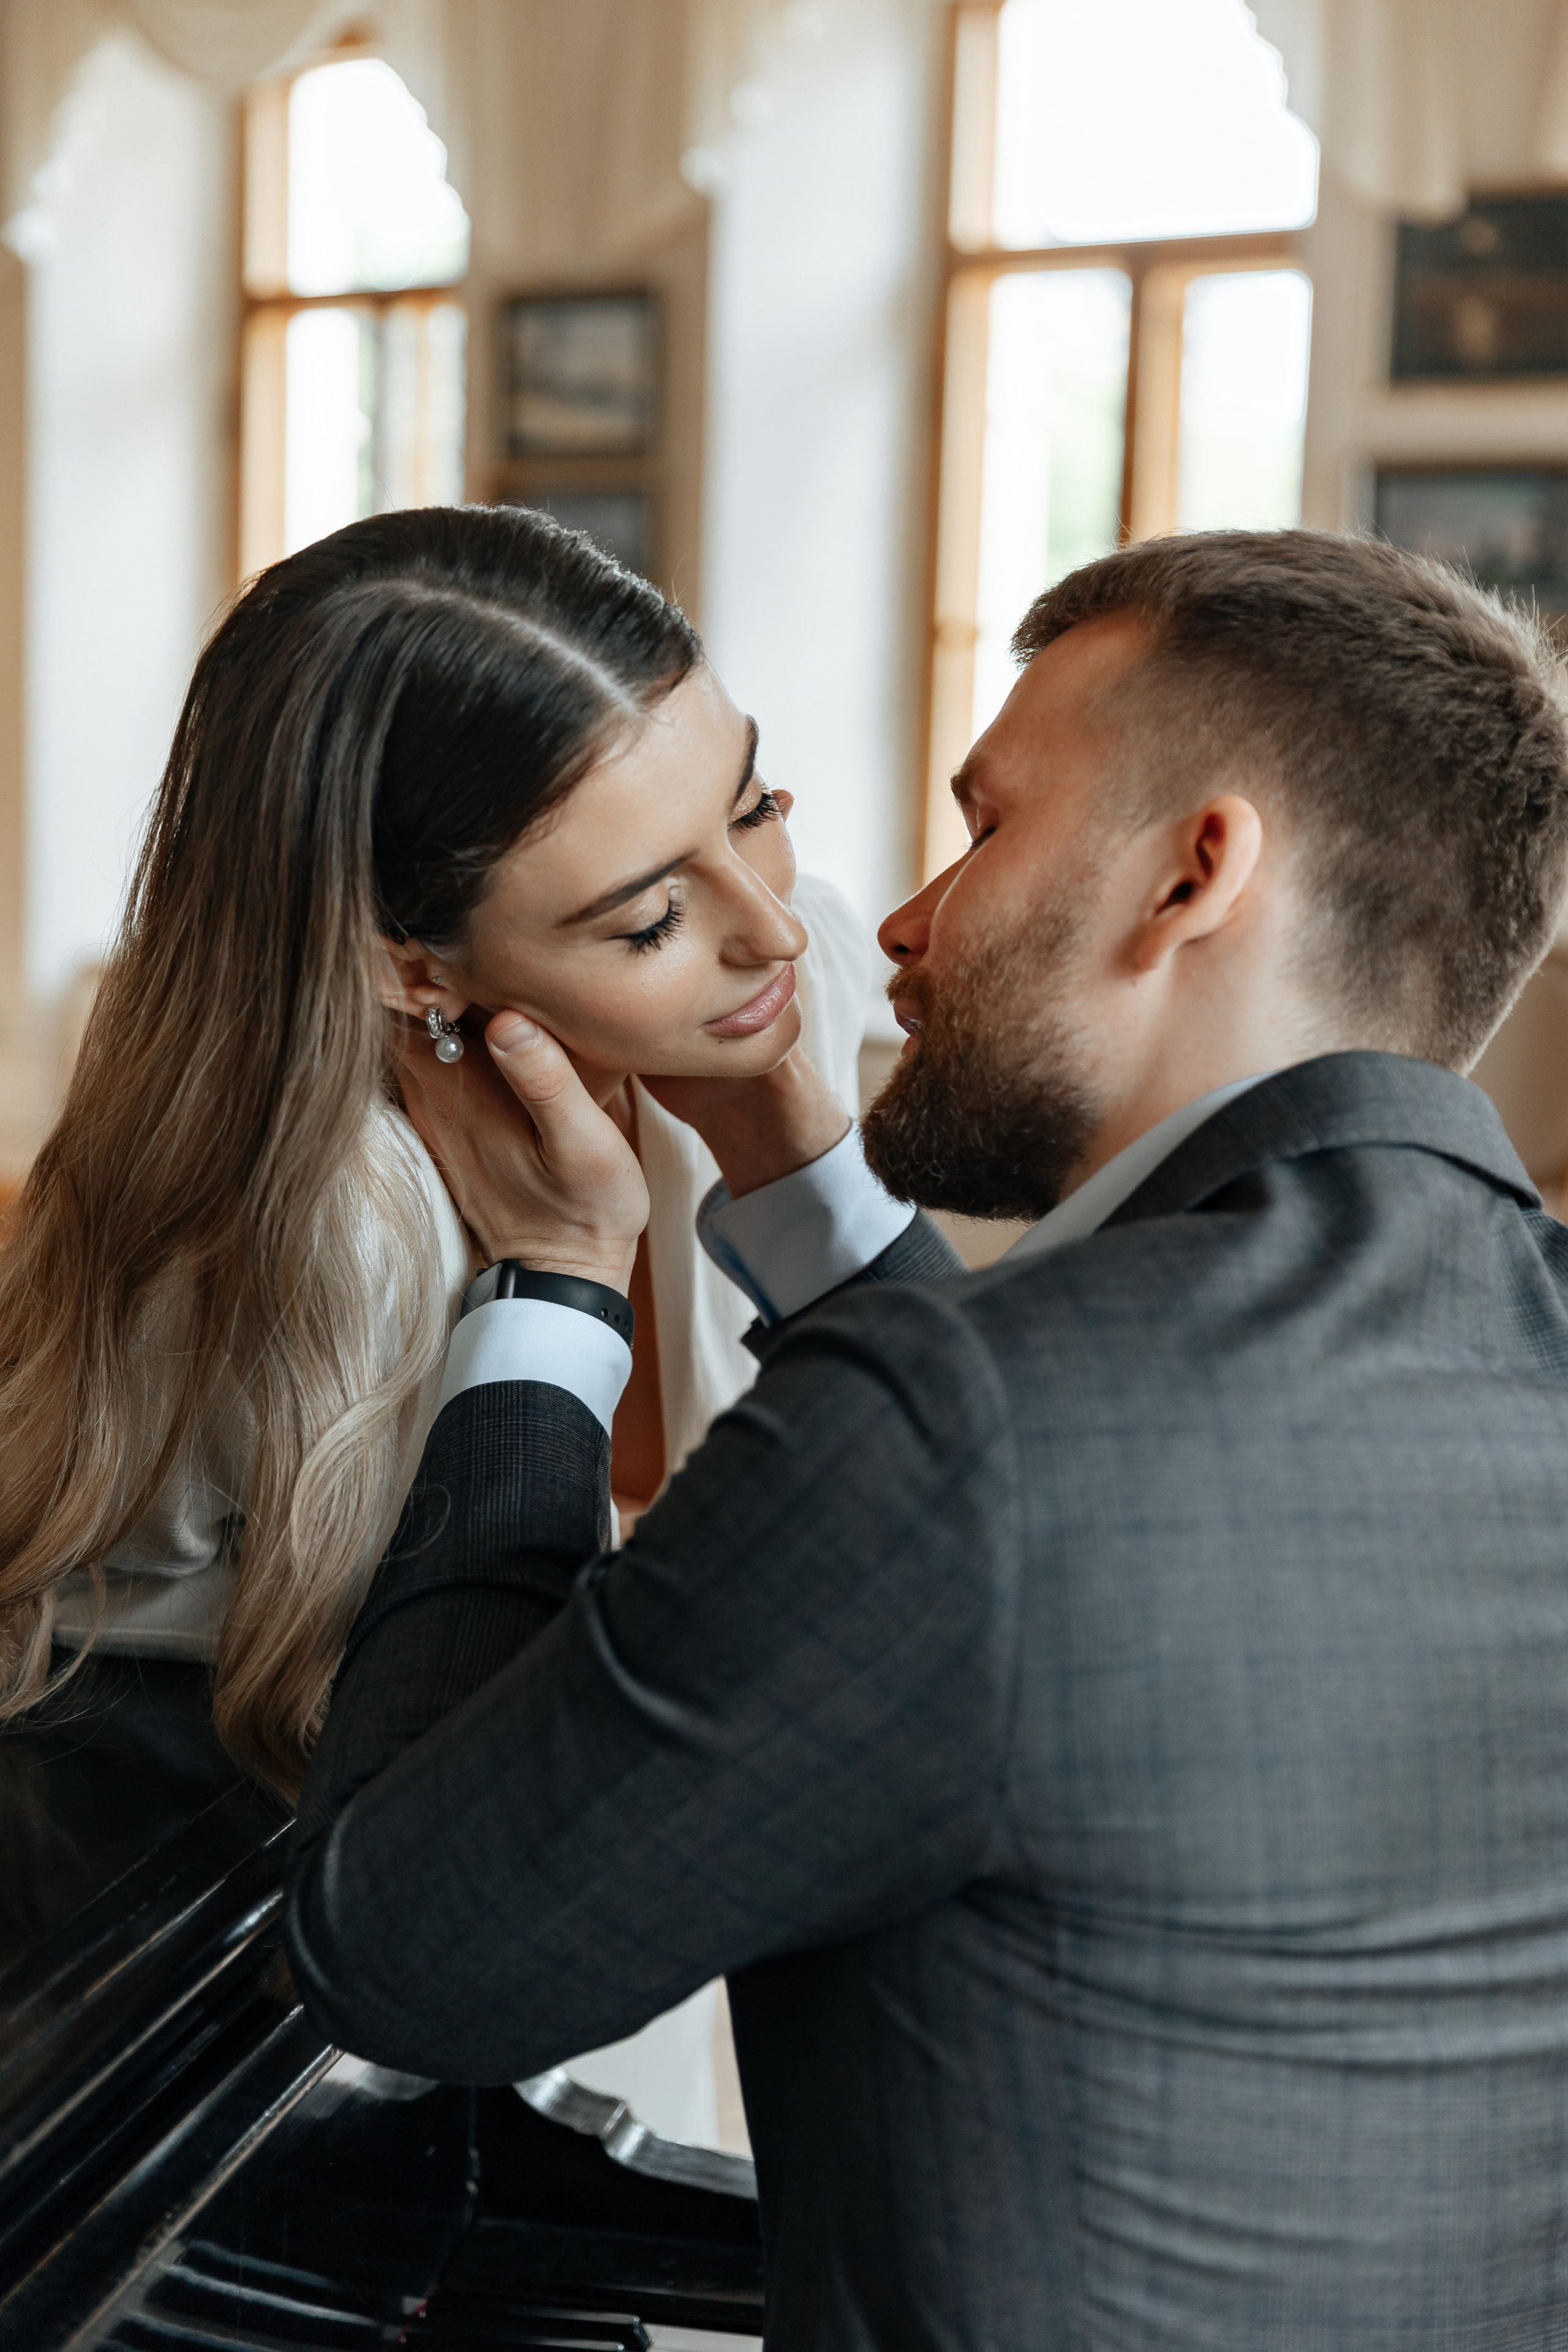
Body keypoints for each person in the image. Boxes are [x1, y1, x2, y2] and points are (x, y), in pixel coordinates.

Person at [292, 524, 1568, 2349]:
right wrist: (787, 1158)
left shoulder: (962, 1439)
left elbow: (403, 1951)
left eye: (987, 830)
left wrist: (557, 1284)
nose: (894, 926)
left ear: (1198, 874)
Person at [0, 502, 870, 2146]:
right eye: (645, 919)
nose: (762, 920)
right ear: (417, 973)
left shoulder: (778, 961)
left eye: (751, 802)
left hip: (637, 1876)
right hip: (333, 1995)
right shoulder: (317, 1232)